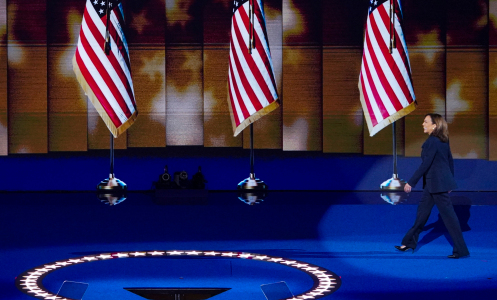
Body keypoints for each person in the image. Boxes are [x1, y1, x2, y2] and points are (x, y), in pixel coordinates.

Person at [396, 113, 469, 259]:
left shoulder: (433, 142)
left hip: (437, 184)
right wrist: (449, 180)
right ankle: (409, 242)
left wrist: (411, 182)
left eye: (425, 122)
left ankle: (461, 250)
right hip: (434, 184)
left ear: (434, 126)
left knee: (449, 218)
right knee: (422, 213)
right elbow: (449, 161)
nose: (423, 124)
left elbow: (426, 164)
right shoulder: (442, 140)